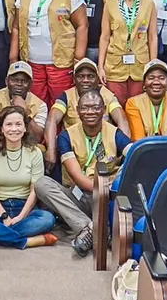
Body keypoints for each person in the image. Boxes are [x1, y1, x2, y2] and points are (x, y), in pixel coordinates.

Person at [34, 89, 133, 257]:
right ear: (78, 111)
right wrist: (103, 189)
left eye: (95, 108)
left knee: (130, 167)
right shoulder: (66, 136)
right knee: (41, 184)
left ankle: (92, 230)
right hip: (80, 195)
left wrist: (114, 186)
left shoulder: (115, 133)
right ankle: (91, 227)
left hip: (110, 197)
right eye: (85, 108)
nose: (90, 112)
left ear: (103, 110)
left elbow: (133, 156)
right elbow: (77, 177)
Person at [0, 106, 57, 250]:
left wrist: (21, 216)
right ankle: (28, 241)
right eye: (8, 124)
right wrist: (4, 216)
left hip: (25, 208)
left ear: (25, 128)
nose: (14, 129)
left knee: (48, 219)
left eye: (18, 124)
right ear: (1, 129)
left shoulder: (35, 152)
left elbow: (35, 191)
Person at [10, 0, 88, 106]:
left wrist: (78, 59)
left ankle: (58, 132)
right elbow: (17, 27)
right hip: (32, 63)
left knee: (60, 105)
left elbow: (82, 25)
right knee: (36, 106)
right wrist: (13, 57)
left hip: (61, 63)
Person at [45, 58, 130, 169]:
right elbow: (52, 119)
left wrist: (123, 149)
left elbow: (121, 119)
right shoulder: (66, 96)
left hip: (103, 151)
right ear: (74, 79)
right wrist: (51, 150)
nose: (85, 80)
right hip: (74, 149)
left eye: (90, 76)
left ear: (97, 79)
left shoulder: (107, 95)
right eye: (81, 76)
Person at [98, 0, 157, 106]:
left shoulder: (149, 4)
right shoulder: (110, 4)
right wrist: (100, 66)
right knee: (115, 106)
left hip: (140, 66)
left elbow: (153, 37)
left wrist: (152, 66)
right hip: (115, 66)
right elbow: (105, 37)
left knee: (137, 106)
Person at [0, 62, 48, 153]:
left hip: (25, 146)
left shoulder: (40, 105)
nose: (19, 84)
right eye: (14, 80)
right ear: (7, 81)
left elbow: (37, 138)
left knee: (41, 150)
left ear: (30, 84)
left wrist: (25, 112)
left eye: (24, 81)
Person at [125, 60, 167, 140]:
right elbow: (138, 140)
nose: (156, 82)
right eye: (151, 78)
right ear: (144, 83)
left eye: (161, 78)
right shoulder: (133, 103)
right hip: (144, 150)